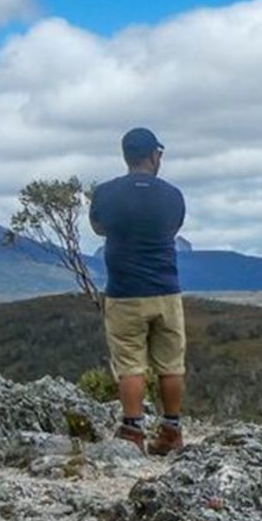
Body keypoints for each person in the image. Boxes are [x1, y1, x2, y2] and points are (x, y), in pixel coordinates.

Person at [88, 127, 188, 455]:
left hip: (124, 292)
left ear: (126, 156)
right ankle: (172, 431)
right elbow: (173, 227)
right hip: (166, 291)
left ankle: (133, 434)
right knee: (171, 364)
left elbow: (99, 227)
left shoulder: (105, 193)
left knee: (130, 364)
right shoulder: (173, 195)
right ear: (154, 156)